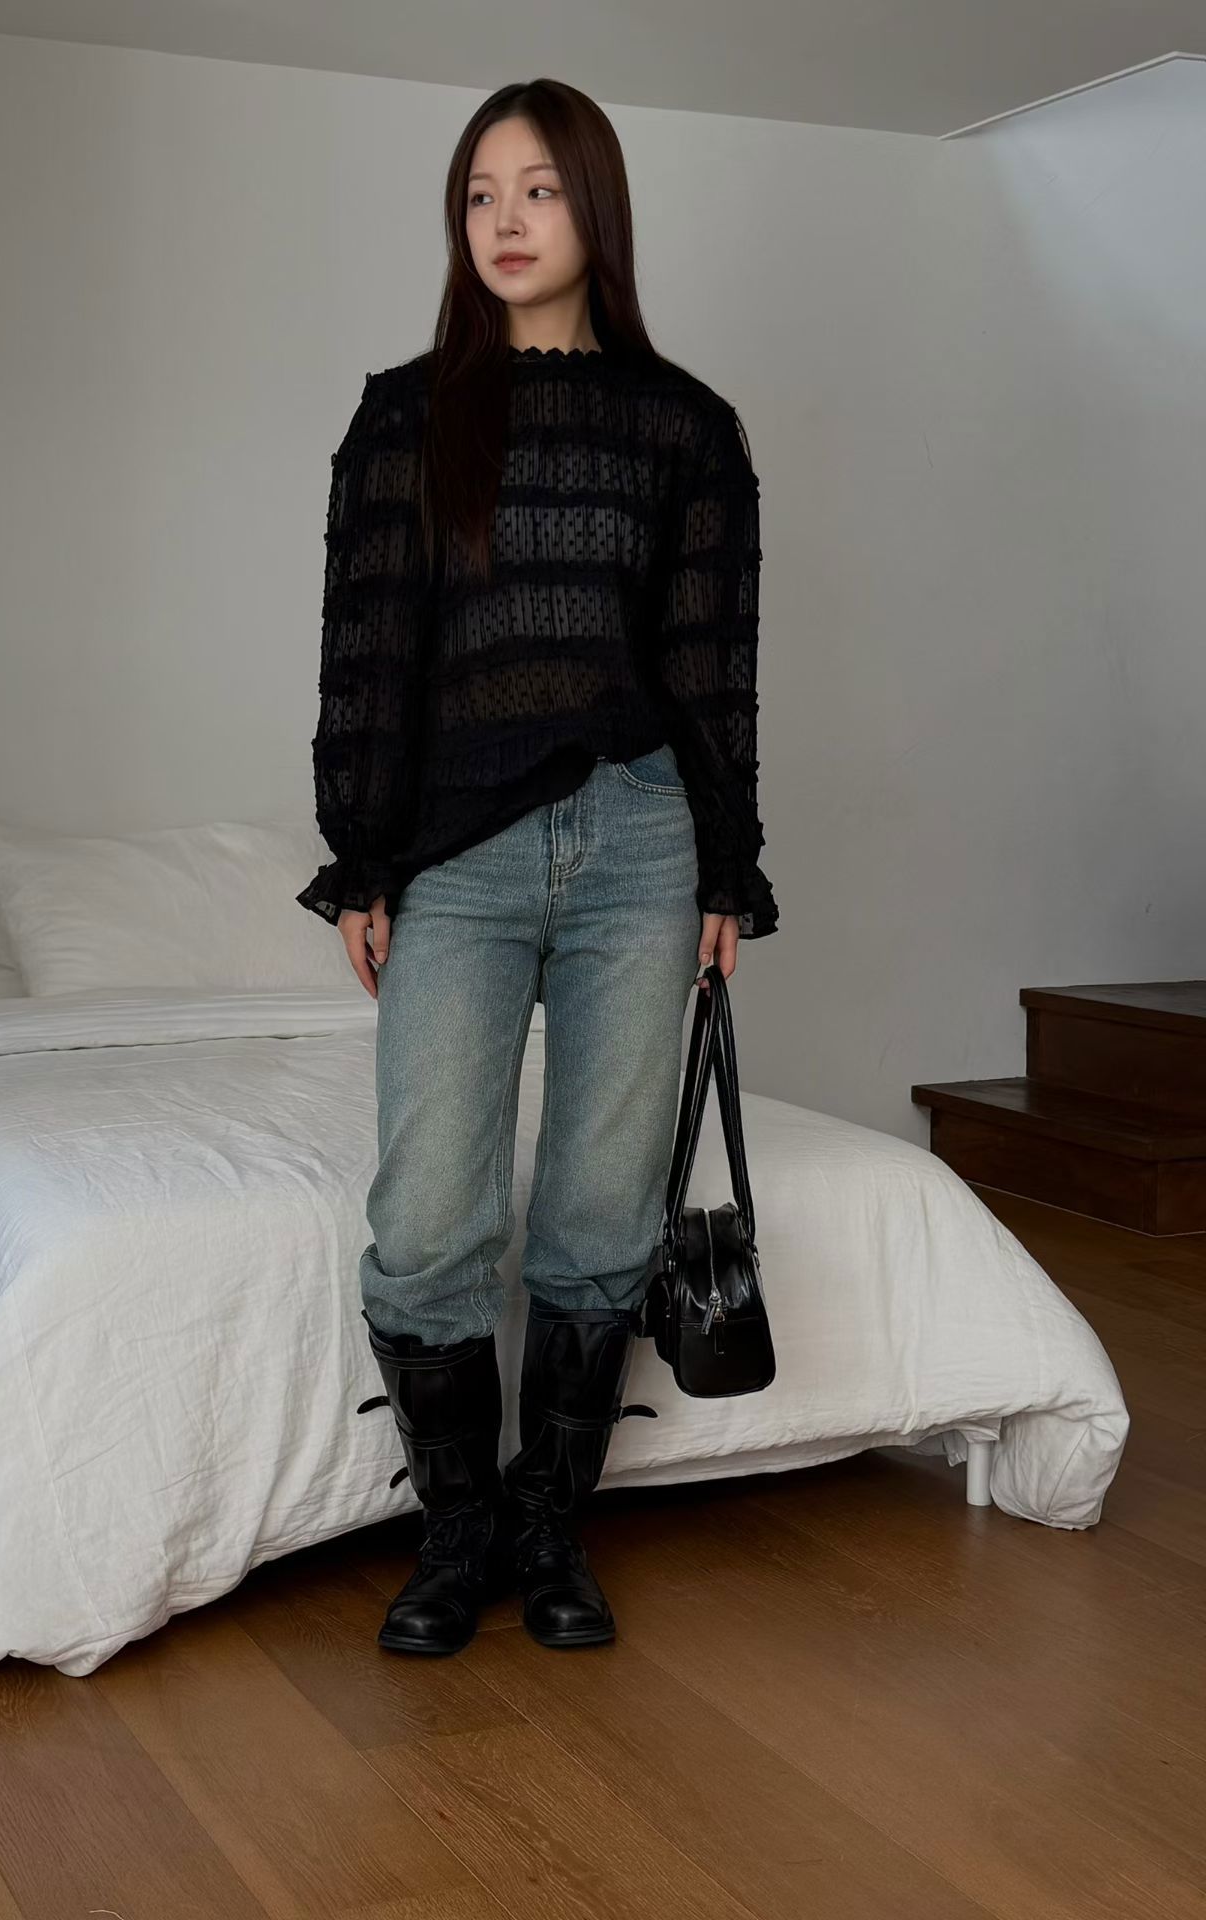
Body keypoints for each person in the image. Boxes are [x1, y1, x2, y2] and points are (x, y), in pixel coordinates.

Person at [297, 78, 778, 1656]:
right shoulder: (404, 417)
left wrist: (724, 872)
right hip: (458, 853)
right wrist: (364, 857)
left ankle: (549, 1531)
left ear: (596, 210)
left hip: (643, 844)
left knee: (598, 1212)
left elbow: (710, 670)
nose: (504, 221)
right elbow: (371, 654)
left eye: (540, 190)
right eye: (480, 194)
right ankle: (457, 1537)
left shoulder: (686, 428)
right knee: (432, 1217)